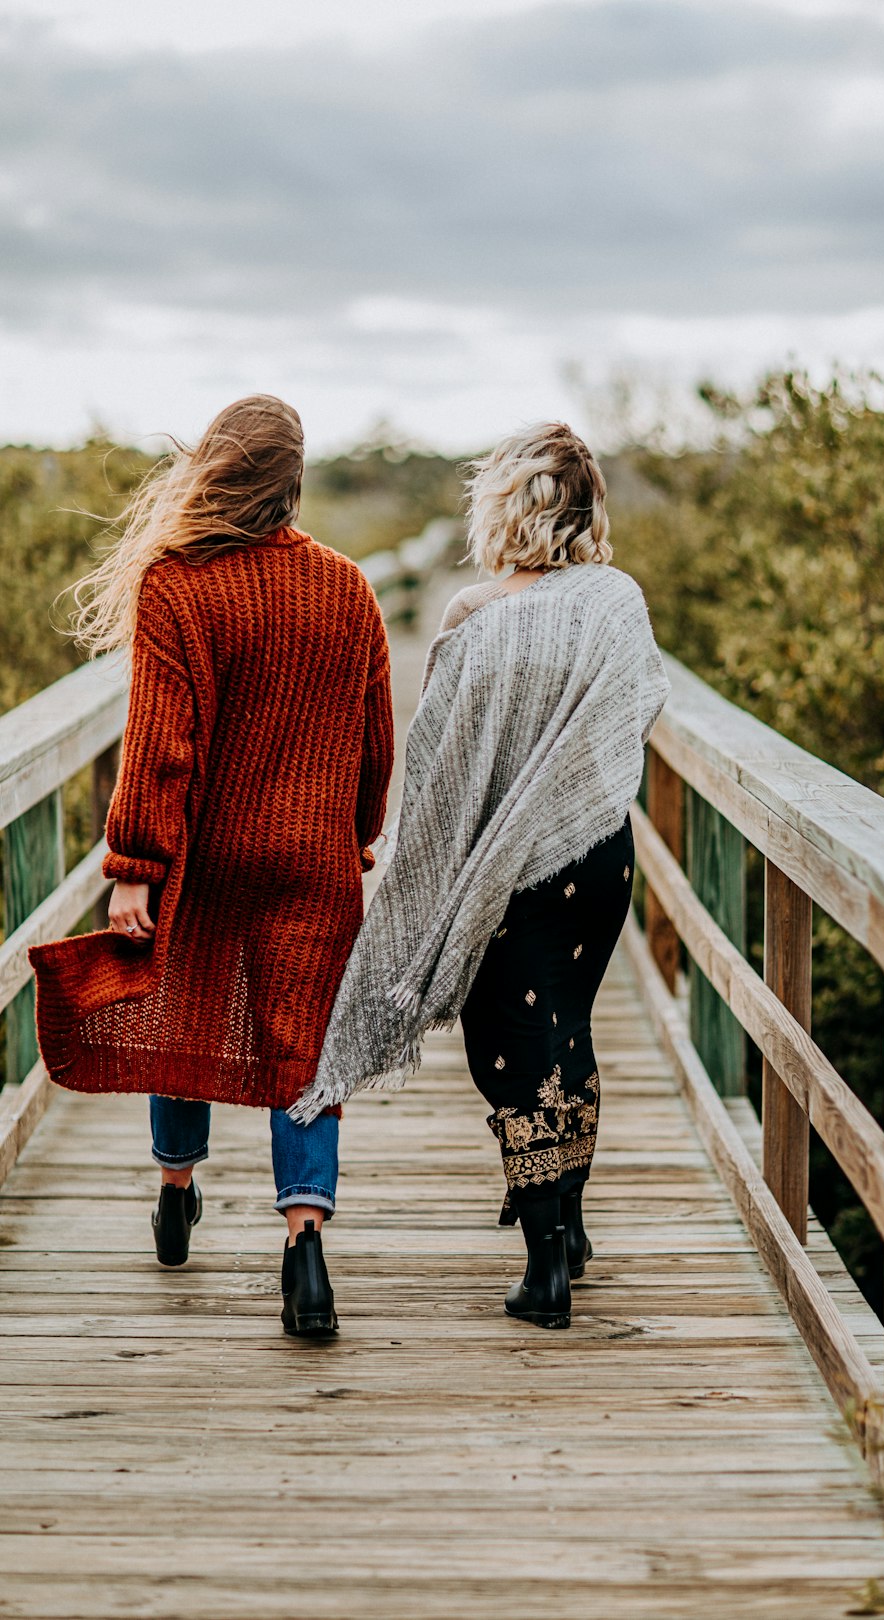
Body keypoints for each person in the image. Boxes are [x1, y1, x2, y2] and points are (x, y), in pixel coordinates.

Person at [30, 395, 394, 1337]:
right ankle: (304, 1247)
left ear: (216, 471)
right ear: (294, 482)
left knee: (184, 1007)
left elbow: (160, 743)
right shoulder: (348, 589)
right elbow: (372, 738)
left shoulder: (176, 586)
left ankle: (175, 1185)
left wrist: (135, 866)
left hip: (207, 858)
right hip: (312, 859)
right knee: (301, 1047)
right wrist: (356, 832)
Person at [293, 422, 669, 1329]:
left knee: (510, 1049)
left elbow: (442, 771)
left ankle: (546, 1274)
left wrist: (430, 865)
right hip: (596, 853)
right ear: (585, 512)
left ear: (504, 510)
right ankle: (570, 1226)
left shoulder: (473, 622)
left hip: (514, 874)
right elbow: (639, 708)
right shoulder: (617, 601)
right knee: (568, 1031)